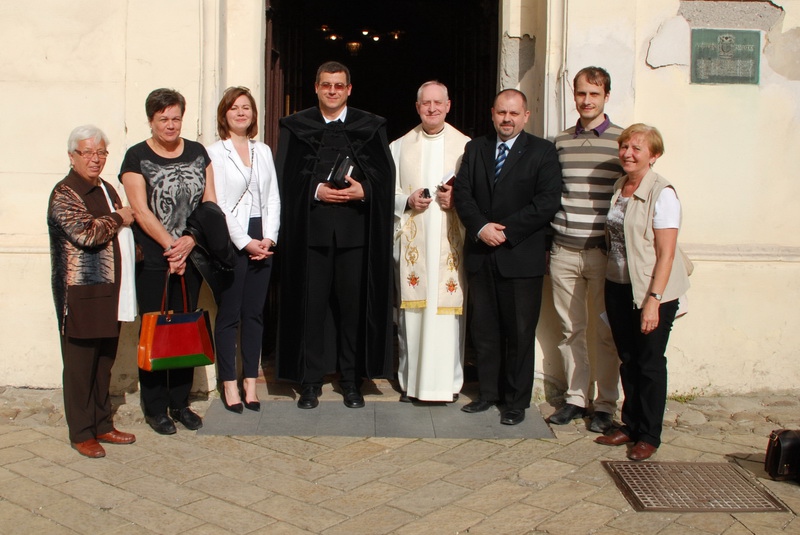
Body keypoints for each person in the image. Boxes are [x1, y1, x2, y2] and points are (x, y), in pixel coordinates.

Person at [275, 61, 395, 410]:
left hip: (355, 236)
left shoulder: (370, 127)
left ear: (349, 89)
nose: (332, 91)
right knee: (311, 310)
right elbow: (285, 178)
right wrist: (315, 191)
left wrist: (365, 192)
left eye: (338, 85)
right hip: (311, 236)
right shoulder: (295, 127)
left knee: (352, 311)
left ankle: (351, 381)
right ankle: (310, 382)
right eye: (326, 85)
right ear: (316, 87)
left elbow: (384, 178)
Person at [453, 89, 561, 425]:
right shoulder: (476, 148)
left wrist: (506, 230)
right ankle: (488, 393)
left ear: (526, 116)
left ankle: (515, 401)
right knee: (484, 331)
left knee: (519, 332)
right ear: (492, 113)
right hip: (482, 254)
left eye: (514, 113)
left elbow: (546, 202)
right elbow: (463, 194)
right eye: (501, 112)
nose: (507, 119)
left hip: (519, 256)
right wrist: (481, 227)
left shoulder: (542, 152)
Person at [120, 88, 217, 434]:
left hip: (192, 257)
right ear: (151, 120)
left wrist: (190, 241)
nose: (171, 125)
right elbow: (141, 211)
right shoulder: (135, 157)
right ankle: (155, 407)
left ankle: (181, 403)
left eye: (176, 117)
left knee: (185, 329)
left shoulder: (197, 152)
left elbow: (209, 203)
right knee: (156, 329)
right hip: (155, 260)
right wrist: (171, 246)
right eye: (164, 119)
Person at [594, 124, 691, 461]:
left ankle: (649, 434)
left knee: (650, 363)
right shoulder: (621, 186)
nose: (628, 154)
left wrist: (654, 301)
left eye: (637, 148)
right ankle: (631, 425)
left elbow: (666, 254)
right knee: (629, 359)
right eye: (625, 147)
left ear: (654, 155)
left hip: (652, 291)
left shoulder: (662, 193)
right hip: (619, 285)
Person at [48, 125, 137, 458]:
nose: (95, 159)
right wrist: (119, 217)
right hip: (81, 293)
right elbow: (86, 233)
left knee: (104, 362)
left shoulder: (106, 187)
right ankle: (81, 432)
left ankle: (103, 423)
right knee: (80, 364)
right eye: (88, 152)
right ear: (72, 156)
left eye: (101, 152)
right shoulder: (65, 193)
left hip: (111, 291)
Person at [547, 67, 624, 433]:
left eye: (594, 94)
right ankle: (577, 398)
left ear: (606, 96)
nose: (587, 100)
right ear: (574, 96)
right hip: (564, 250)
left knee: (605, 331)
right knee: (570, 330)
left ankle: (606, 403)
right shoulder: (559, 142)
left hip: (603, 253)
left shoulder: (622, 142)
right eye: (581, 94)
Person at [391, 81, 470, 403]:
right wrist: (407, 199)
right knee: (414, 314)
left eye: (438, 103)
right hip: (416, 247)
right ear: (418, 106)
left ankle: (448, 383)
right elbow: (386, 193)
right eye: (426, 103)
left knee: (447, 316)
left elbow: (480, 196)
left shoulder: (467, 147)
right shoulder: (399, 146)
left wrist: (458, 199)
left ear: (449, 105)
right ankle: (412, 383)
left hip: (450, 248)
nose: (433, 108)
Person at [207, 86, 280, 413]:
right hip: (231, 238)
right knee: (230, 315)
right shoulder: (214, 152)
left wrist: (269, 238)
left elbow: (274, 198)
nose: (241, 112)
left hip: (261, 236)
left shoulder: (263, 150)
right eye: (234, 108)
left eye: (246, 107)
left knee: (254, 314)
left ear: (253, 114)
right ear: (224, 115)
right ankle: (229, 384)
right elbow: (219, 203)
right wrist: (245, 242)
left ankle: (251, 381)